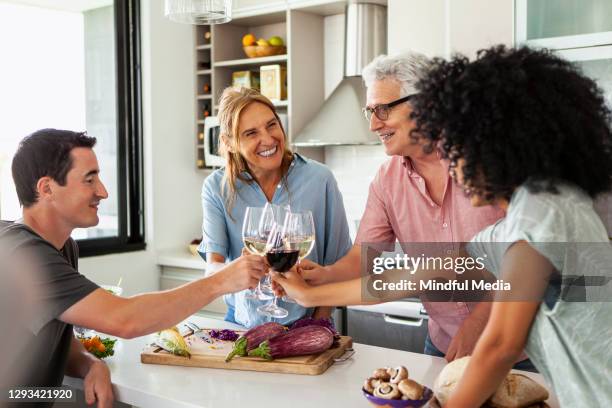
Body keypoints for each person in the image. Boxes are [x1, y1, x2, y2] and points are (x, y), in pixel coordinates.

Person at [1, 129, 266, 408]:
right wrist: (220, 282)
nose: (102, 191)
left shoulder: (61, 247)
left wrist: (89, 364)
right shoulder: (24, 255)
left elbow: (53, 333)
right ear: (46, 189)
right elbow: (124, 319)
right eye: (89, 179)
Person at [411, 45, 612, 408]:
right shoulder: (541, 207)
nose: (453, 168)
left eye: (458, 151)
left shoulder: (541, 211)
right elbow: (428, 270)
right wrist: (315, 290)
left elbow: (501, 345)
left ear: (497, 143)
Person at [291, 52, 513, 362]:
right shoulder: (387, 179)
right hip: (443, 344)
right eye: (369, 111)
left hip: (521, 348)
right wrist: (326, 275)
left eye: (382, 109)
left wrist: (478, 321)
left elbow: (529, 261)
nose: (372, 124)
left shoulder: (486, 163)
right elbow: (365, 258)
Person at [198, 87, 352, 328]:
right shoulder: (217, 187)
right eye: (251, 133)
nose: (268, 139)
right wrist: (237, 269)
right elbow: (212, 269)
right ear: (229, 143)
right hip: (241, 325)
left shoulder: (320, 179)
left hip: (308, 323)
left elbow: (339, 264)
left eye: (272, 125)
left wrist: (317, 325)